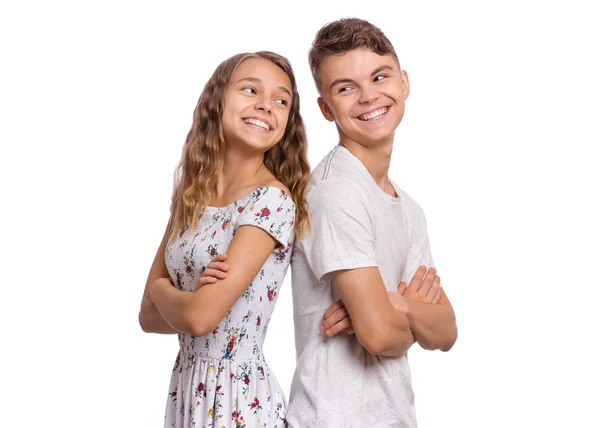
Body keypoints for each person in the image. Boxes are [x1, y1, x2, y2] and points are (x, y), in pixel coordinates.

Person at [285, 18, 458, 427]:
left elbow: (447, 331)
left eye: (379, 77)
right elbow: (379, 335)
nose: (368, 96)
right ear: (326, 108)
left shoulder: (409, 208)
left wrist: (393, 301)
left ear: (403, 83)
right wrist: (404, 313)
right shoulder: (337, 192)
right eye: (346, 88)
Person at [138, 51, 310, 428]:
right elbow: (147, 317)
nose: (266, 106)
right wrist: (185, 299)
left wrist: (165, 292)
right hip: (187, 389)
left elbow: (200, 318)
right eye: (251, 90)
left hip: (238, 399)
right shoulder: (191, 196)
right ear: (218, 101)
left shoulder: (271, 201)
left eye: (281, 100)